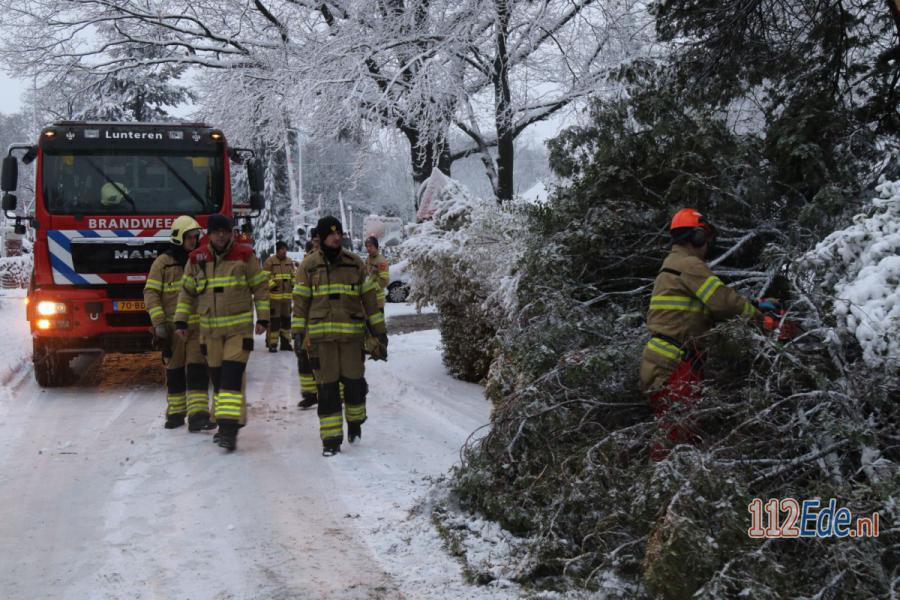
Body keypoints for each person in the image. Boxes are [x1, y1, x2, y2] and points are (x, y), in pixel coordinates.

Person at [639, 208, 761, 459]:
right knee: (677, 437)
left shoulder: (672, 264)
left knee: (679, 432)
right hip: (674, 364)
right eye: (704, 237)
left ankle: (670, 485)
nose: (707, 245)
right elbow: (723, 303)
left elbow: (709, 306)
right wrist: (760, 318)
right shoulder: (689, 264)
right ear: (695, 236)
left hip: (663, 361)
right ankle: (666, 490)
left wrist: (755, 304)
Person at [292, 216, 387, 456]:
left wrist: (379, 332)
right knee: (327, 390)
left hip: (352, 339)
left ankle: (355, 422)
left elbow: (370, 301)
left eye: (339, 233)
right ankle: (331, 441)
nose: (336, 237)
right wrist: (298, 334)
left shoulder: (355, 263)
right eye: (331, 233)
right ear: (322, 237)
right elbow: (300, 303)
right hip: (321, 342)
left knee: (355, 386)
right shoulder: (309, 265)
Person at [174, 214, 270, 451]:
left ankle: (228, 431)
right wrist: (181, 322)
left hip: (239, 332)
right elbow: (186, 293)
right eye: (216, 231)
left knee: (230, 378)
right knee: (218, 382)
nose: (220, 235)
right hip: (210, 332)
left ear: (231, 233)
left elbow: (260, 287)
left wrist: (264, 318)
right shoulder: (197, 259)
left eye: (224, 231)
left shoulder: (245, 256)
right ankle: (230, 422)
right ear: (209, 233)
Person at [143, 216, 215, 432]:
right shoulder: (163, 263)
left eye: (196, 237)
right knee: (174, 372)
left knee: (197, 370)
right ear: (179, 237)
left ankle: (198, 416)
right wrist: (158, 323)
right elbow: (151, 292)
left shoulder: (199, 261)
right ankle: (175, 414)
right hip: (173, 331)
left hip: (196, 329)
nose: (194, 241)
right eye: (190, 237)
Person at [295, 239, 319, 409]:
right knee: (304, 358)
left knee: (327, 360)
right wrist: (297, 329)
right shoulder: (306, 265)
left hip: (325, 320)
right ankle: (310, 394)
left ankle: (336, 394)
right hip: (309, 320)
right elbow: (300, 298)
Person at [262, 241, 295, 352]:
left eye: (285, 248)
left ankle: (285, 343)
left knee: (286, 321)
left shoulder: (290, 261)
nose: (284, 251)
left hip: (286, 298)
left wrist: (293, 283)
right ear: (277, 250)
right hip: (274, 298)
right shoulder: (270, 261)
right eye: (282, 249)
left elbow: (293, 275)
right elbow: (265, 277)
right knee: (274, 321)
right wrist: (272, 285)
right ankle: (273, 344)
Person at [364, 236, 390, 309]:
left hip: (378, 301)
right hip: (369, 299)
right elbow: (367, 273)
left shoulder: (381, 261)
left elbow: (385, 281)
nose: (368, 248)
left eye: (370, 246)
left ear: (376, 246)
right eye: (367, 246)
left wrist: (370, 288)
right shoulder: (369, 258)